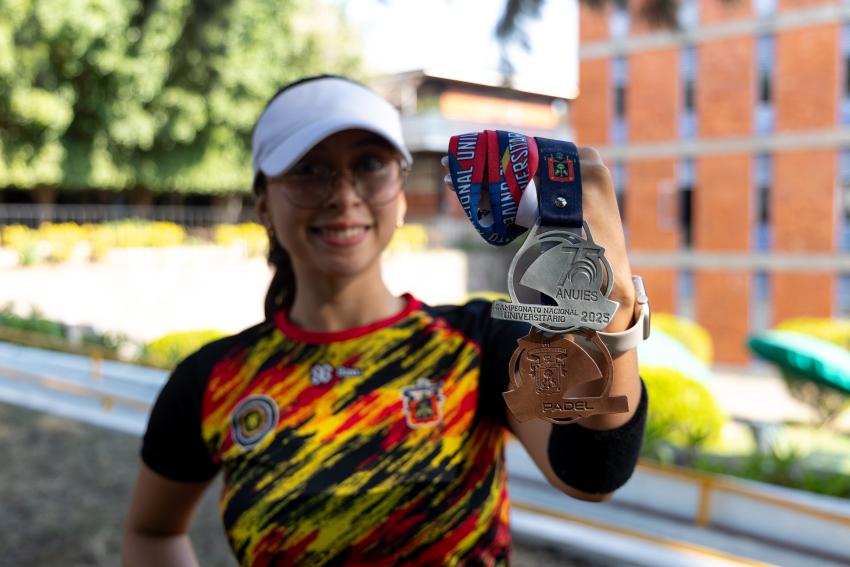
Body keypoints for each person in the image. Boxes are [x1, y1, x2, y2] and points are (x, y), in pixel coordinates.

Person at [122, 75, 647, 567]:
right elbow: (153, 531)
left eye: (370, 164)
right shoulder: (212, 381)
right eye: (309, 168)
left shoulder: (478, 343)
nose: (344, 194)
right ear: (263, 202)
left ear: (399, 195)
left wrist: (612, 311)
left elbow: (591, 472)